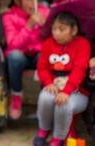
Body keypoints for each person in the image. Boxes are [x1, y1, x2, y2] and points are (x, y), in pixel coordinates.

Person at [33, 12, 90, 146]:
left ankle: (59, 137)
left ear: (74, 30)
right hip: (54, 86)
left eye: (62, 29)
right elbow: (42, 67)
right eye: (54, 28)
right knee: (45, 97)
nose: (56, 33)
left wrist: (66, 91)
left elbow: (79, 70)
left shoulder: (83, 44)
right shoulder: (48, 44)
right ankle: (44, 130)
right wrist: (48, 82)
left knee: (64, 104)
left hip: (77, 92)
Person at [2, 0, 50, 121]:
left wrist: (45, 26)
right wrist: (29, 25)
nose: (33, 3)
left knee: (45, 57)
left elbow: (52, 41)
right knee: (15, 56)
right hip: (20, 57)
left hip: (38, 55)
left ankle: (43, 103)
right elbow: (13, 44)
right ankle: (16, 95)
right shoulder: (9, 17)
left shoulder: (45, 12)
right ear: (17, 1)